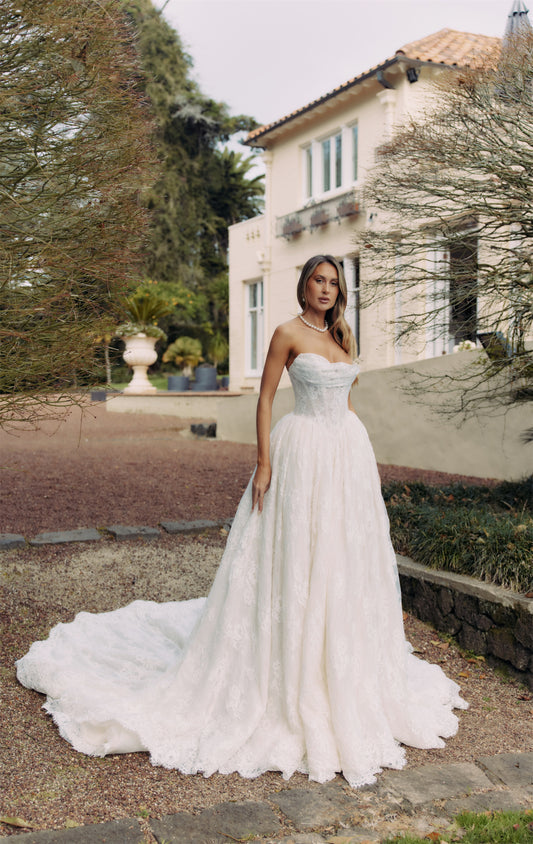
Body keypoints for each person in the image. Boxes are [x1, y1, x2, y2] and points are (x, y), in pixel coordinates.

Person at [16, 255, 467, 789]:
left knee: (344, 555)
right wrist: (264, 461)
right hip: (299, 451)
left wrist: (346, 443)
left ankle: (340, 661)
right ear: (303, 285)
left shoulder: (343, 335)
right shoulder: (285, 333)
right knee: (297, 553)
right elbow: (267, 397)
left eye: (334, 283)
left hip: (346, 455)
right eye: (319, 281)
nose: (326, 289)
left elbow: (346, 399)